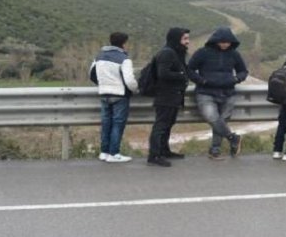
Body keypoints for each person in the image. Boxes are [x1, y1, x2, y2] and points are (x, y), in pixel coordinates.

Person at [188, 27, 248, 160]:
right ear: (215, 40)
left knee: (221, 121)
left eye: (228, 42)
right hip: (206, 92)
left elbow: (243, 71)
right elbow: (190, 69)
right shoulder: (202, 53)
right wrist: (201, 80)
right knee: (212, 117)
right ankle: (233, 138)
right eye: (222, 41)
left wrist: (236, 79)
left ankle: (215, 151)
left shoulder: (234, 54)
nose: (225, 44)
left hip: (228, 93)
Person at [147, 27, 196, 167]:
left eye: (188, 38)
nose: (187, 41)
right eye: (185, 38)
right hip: (166, 96)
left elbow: (187, 71)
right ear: (176, 39)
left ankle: (164, 151)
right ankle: (154, 155)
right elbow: (163, 73)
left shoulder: (176, 53)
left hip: (174, 96)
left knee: (168, 125)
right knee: (161, 125)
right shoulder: (167, 53)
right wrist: (182, 76)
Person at [90, 32, 138, 163]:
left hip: (104, 93)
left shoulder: (99, 56)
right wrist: (135, 89)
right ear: (124, 43)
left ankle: (104, 152)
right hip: (119, 95)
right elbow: (129, 80)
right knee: (117, 124)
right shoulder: (124, 58)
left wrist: (102, 84)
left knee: (106, 124)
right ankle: (114, 153)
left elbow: (92, 74)